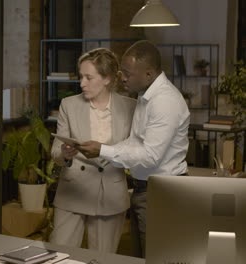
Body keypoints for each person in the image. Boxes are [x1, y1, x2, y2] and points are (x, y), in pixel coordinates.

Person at [78, 40, 190, 257]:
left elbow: (150, 157)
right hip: (148, 190)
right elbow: (135, 142)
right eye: (122, 72)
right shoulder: (145, 96)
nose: (122, 77)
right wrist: (104, 149)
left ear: (148, 74)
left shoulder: (164, 101)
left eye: (128, 73)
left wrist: (103, 150)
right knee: (142, 257)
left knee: (156, 257)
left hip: (162, 193)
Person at [49, 48, 137, 253]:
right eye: (81, 76)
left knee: (103, 259)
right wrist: (64, 153)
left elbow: (134, 152)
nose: (82, 83)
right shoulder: (68, 105)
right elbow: (55, 152)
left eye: (89, 77)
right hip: (73, 191)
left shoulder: (131, 107)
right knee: (58, 257)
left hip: (111, 193)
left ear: (106, 79)